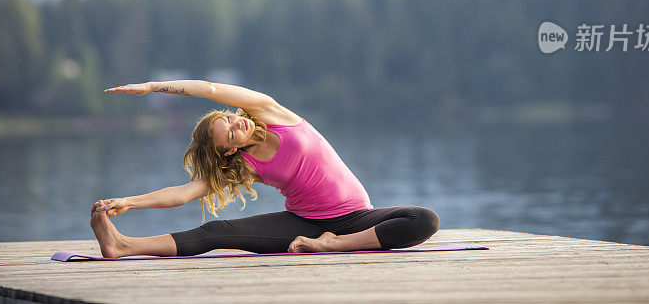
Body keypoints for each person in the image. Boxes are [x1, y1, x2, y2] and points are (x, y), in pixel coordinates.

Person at [90, 79, 439, 257]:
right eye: (226, 134)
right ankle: (124, 246)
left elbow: (210, 89)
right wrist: (130, 202)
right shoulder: (244, 165)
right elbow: (183, 193)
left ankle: (333, 245)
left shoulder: (270, 113)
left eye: (228, 118)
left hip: (354, 217)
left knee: (423, 220)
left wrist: (153, 87)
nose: (233, 124)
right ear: (226, 150)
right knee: (216, 231)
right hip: (305, 222)